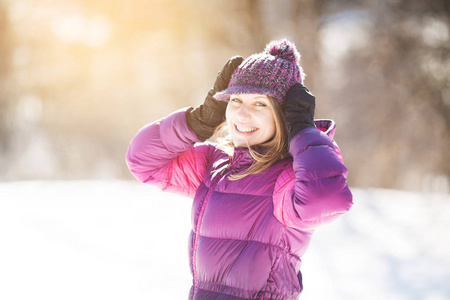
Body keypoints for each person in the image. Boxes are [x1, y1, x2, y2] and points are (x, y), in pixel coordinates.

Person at [126, 39, 353, 300]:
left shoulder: (288, 177)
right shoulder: (216, 165)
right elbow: (142, 160)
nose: (242, 115)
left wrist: (303, 131)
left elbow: (328, 198)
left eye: (260, 104)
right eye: (235, 100)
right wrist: (197, 122)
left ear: (285, 114)